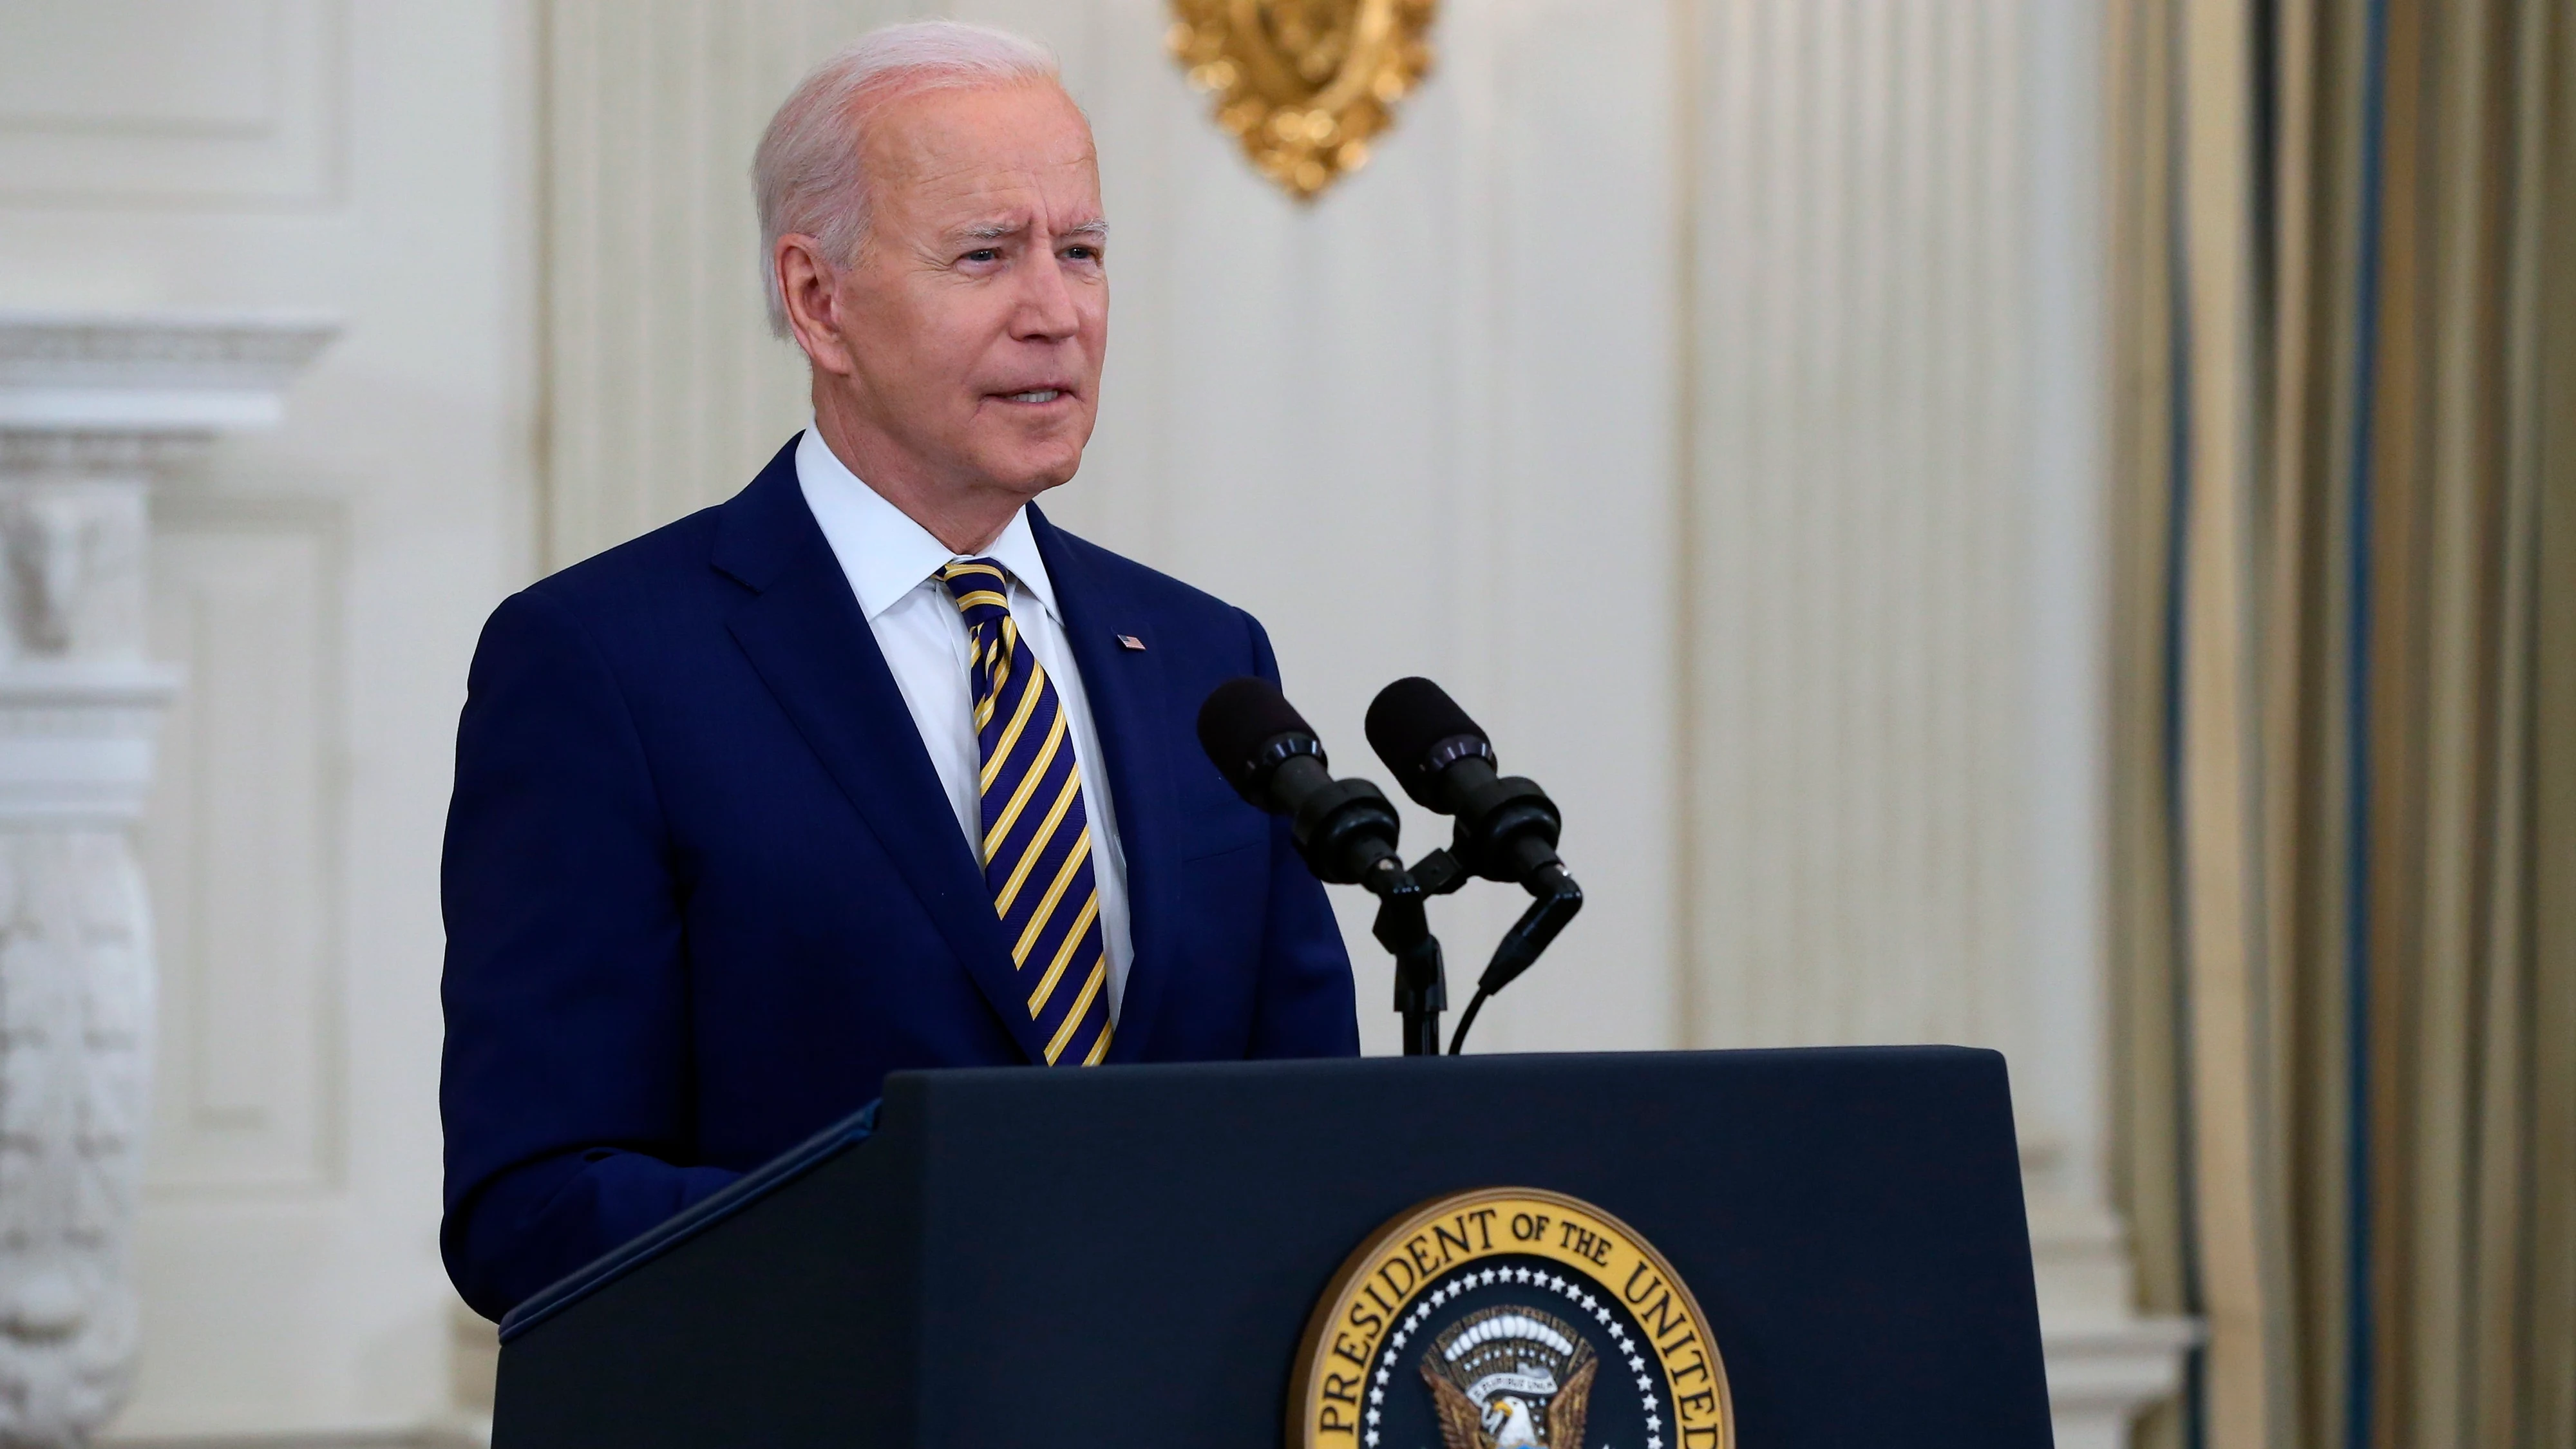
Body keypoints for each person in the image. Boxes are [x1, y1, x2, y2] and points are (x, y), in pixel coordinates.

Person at [438, 20, 1359, 1321]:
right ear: (818, 301)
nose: (1054, 314)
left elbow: (1309, 1131)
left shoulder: (1209, 666)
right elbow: (530, 1204)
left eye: (1080, 253)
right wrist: (944, 1249)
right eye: (984, 256)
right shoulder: (604, 664)